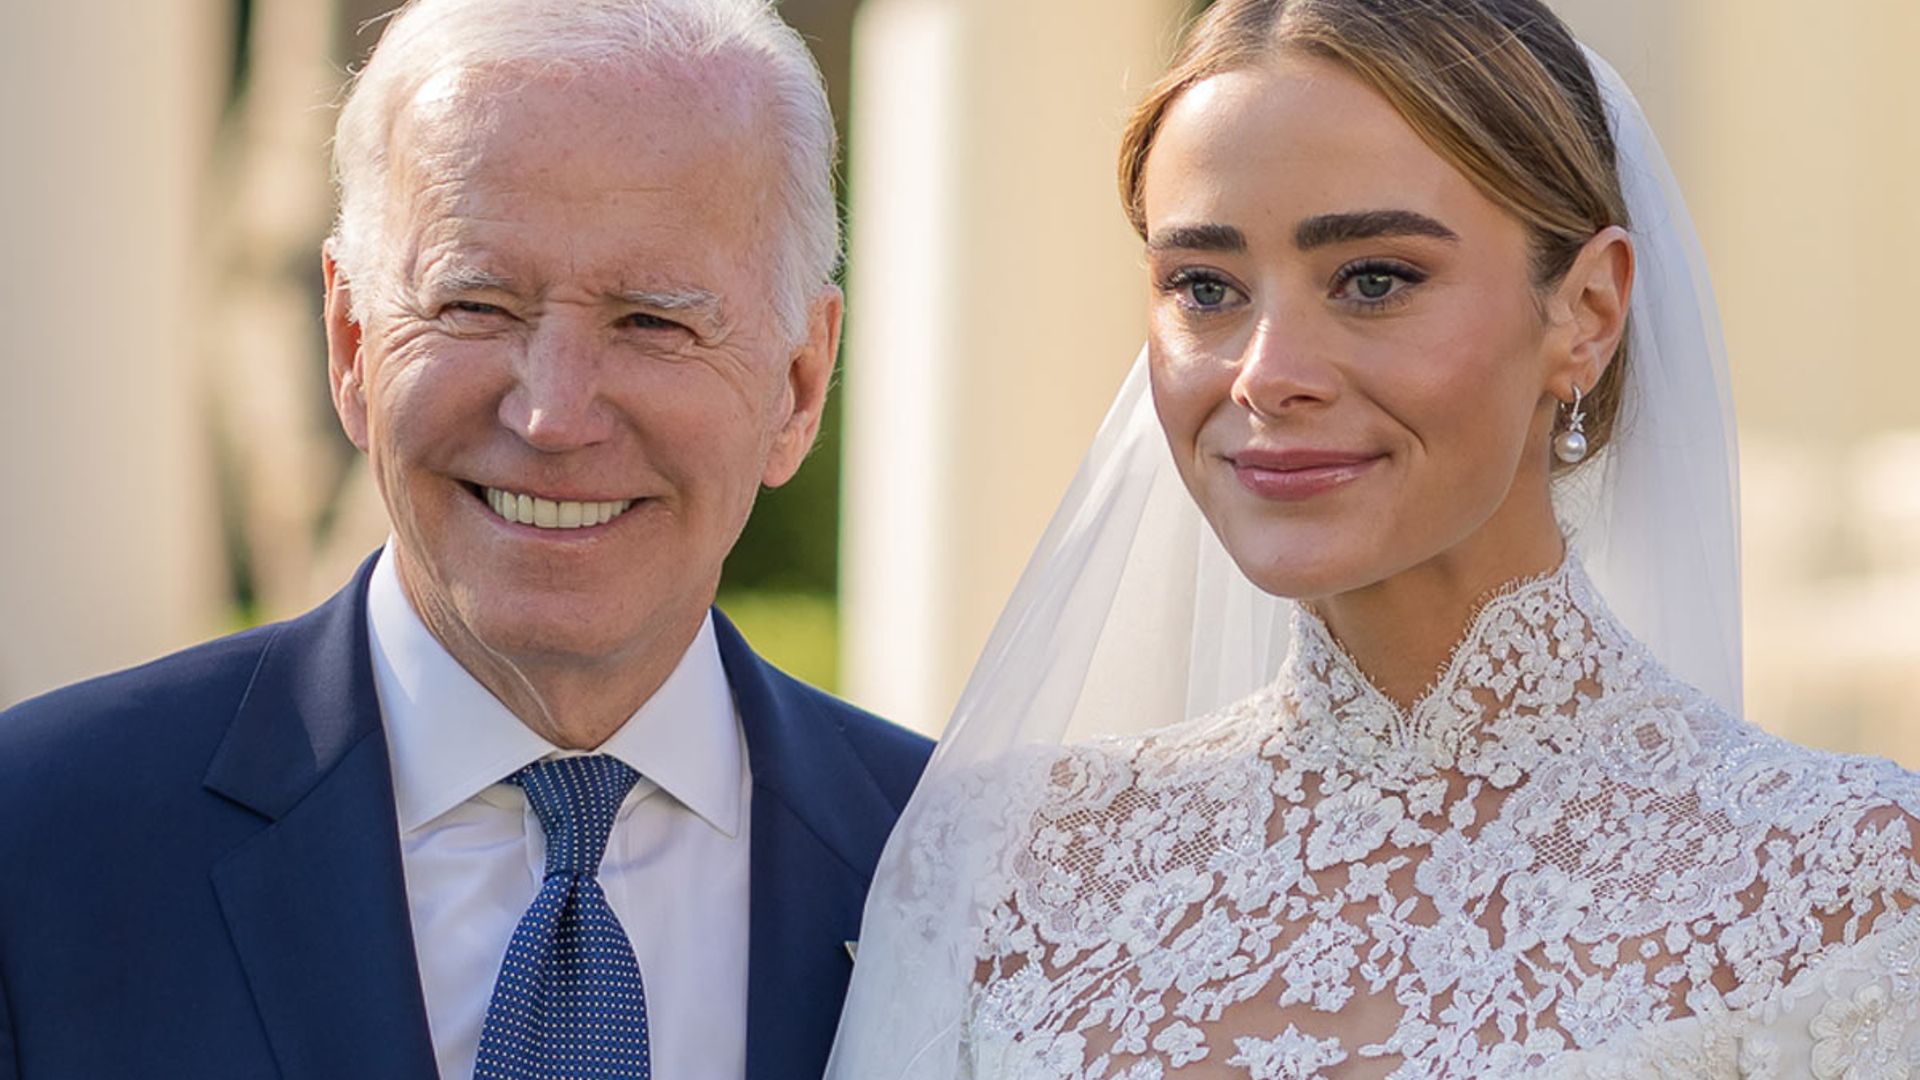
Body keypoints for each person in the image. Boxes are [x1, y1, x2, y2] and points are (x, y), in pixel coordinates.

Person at [828, 0, 1920, 1076]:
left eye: (1374, 279)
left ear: (1586, 310)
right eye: (1204, 288)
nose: (1267, 373)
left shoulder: (1852, 883)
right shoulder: (1014, 864)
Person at [0, 1, 931, 1077]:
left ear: (800, 386)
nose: (553, 416)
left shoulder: (964, 871)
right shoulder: (40, 846)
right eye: (476, 305)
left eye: (653, 322)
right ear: (351, 342)